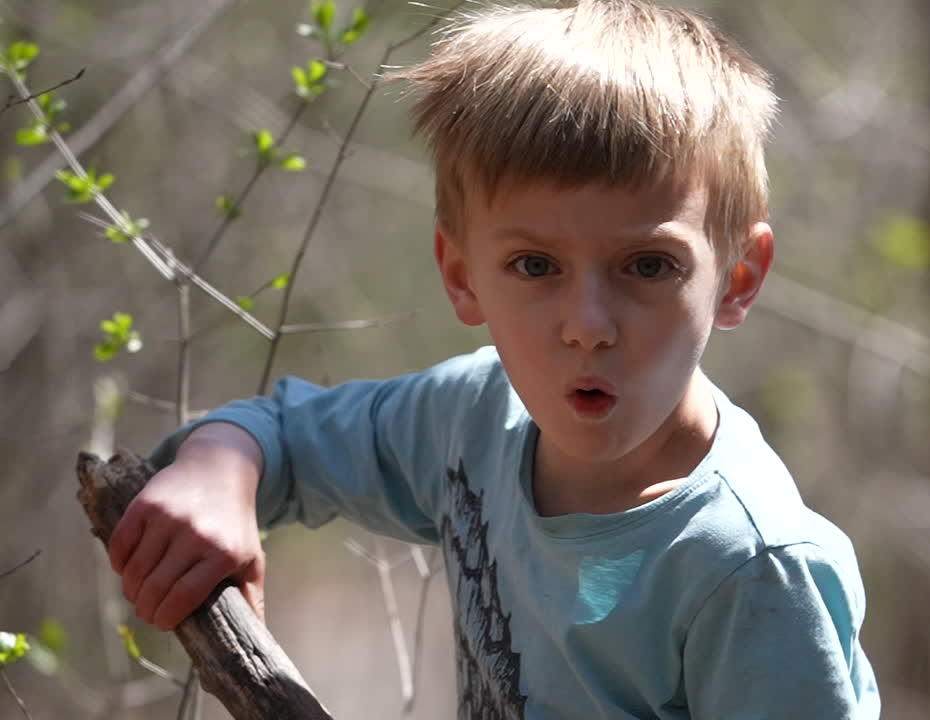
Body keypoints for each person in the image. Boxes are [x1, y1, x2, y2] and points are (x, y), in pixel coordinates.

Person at [107, 0, 880, 717]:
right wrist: (222, 468)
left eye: (648, 267)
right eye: (535, 267)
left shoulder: (754, 569)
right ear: (460, 274)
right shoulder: (474, 418)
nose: (587, 327)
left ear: (737, 279)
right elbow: (286, 435)